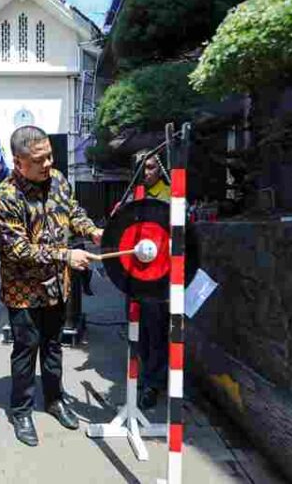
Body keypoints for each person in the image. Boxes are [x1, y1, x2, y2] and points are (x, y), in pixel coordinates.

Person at [0, 125, 102, 447]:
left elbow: (73, 212)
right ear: (18, 162)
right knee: (26, 350)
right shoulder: (6, 197)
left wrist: (92, 231)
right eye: (39, 160)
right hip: (23, 290)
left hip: (57, 286)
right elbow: (19, 251)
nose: (47, 164)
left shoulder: (59, 180)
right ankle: (21, 411)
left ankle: (55, 400)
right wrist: (66, 254)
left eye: (50, 156)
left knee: (53, 346)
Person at [132, 149, 171, 410]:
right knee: (138, 330)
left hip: (158, 275)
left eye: (150, 167)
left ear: (160, 169)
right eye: (141, 168)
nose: (145, 173)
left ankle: (153, 383)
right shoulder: (133, 197)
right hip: (134, 275)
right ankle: (143, 375)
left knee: (156, 330)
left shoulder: (168, 198)